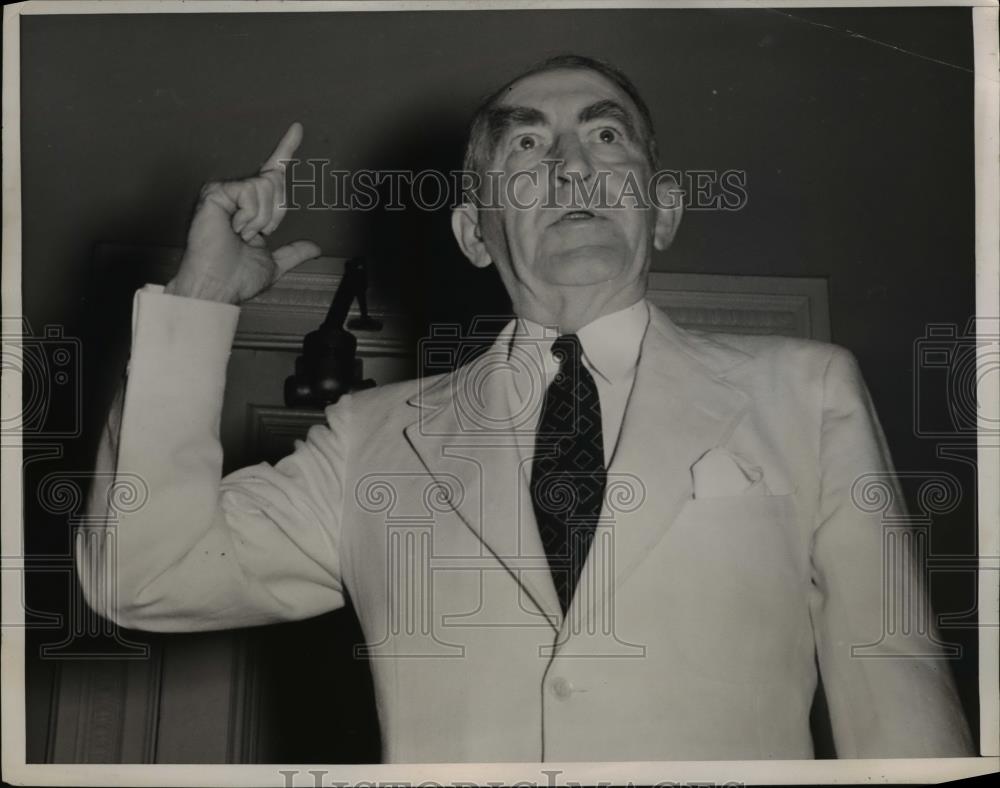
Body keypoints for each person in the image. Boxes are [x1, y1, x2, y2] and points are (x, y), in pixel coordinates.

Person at [78, 54, 974, 762]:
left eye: (607, 138)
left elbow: (896, 696)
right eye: (527, 147)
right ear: (475, 232)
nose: (574, 166)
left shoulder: (806, 389)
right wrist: (200, 297)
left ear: (662, 212)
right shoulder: (370, 440)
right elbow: (142, 576)